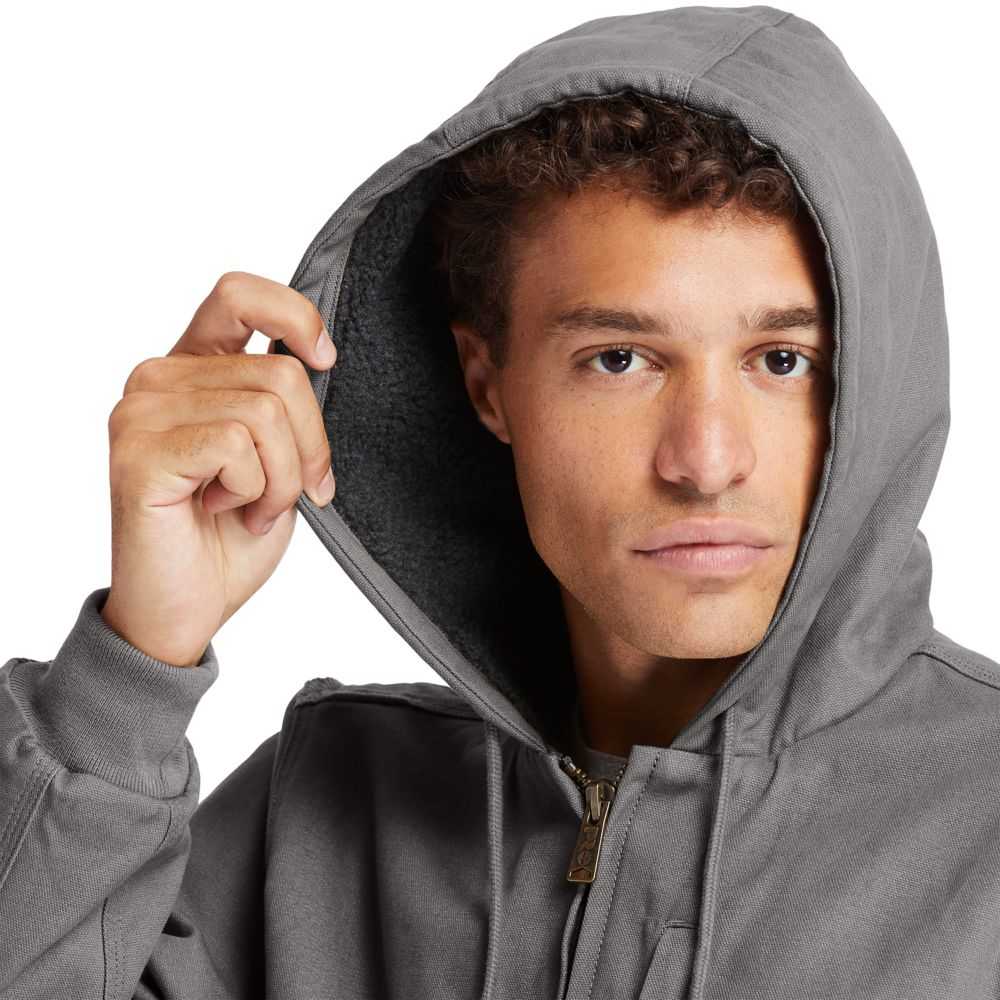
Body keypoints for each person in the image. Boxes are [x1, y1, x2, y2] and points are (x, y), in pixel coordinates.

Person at [1, 6, 994, 998]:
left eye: (781, 360)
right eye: (619, 358)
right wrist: (129, 675)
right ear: (489, 386)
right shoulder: (320, 819)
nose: (705, 460)